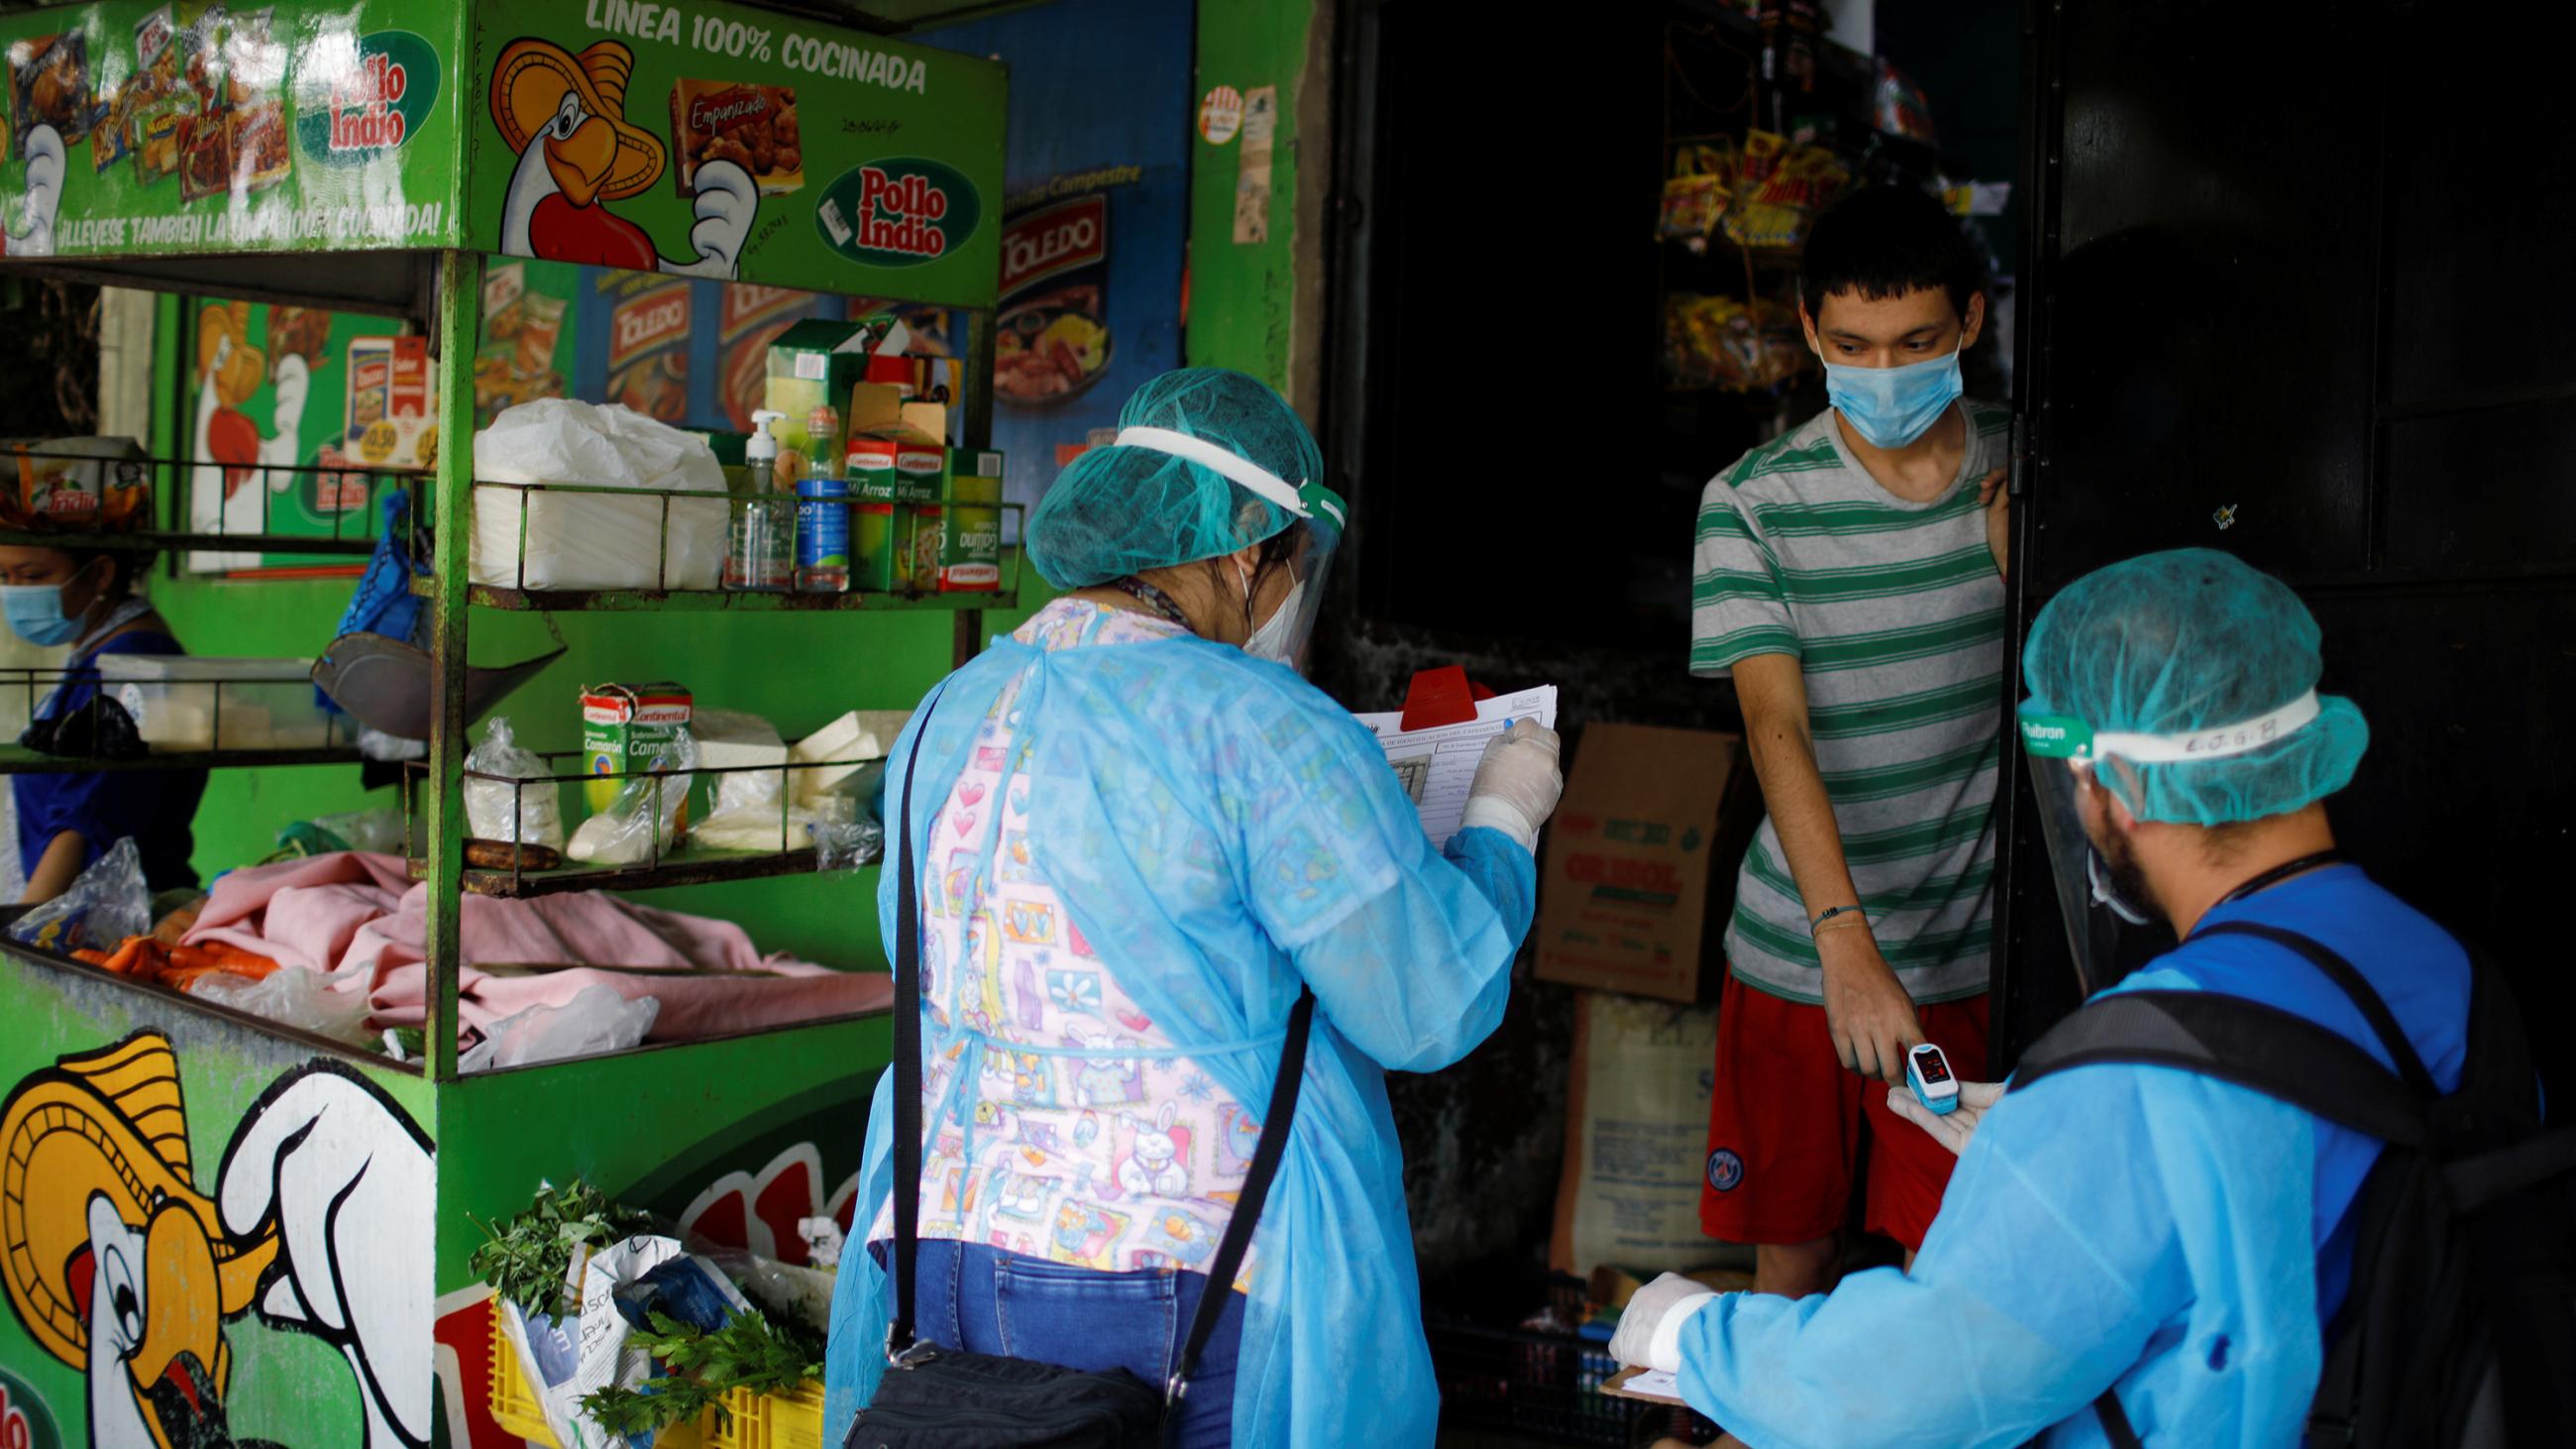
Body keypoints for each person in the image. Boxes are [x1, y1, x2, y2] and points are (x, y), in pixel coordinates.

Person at [823, 368, 1564, 1448]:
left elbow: (922, 963)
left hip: (940, 1240)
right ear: (1238, 551)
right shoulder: (1258, 721)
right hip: (1176, 1269)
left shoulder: (954, 705)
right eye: (1291, 570)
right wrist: (1502, 821)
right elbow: (1426, 1006)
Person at [1611, 548, 2472, 1447]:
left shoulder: (2134, 1075)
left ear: (2120, 785)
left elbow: (1912, 1393)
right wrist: (2046, 1129)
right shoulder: (2450, 972)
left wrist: (1692, 1333)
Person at [1687, 182, 2012, 1293]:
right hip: (1798, 956)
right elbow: (1774, 725)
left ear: (1969, 321)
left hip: (1970, 953)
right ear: (1810, 333)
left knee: (1960, 1266)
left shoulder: (2027, 474)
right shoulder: (1751, 503)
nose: (1884, 375)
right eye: (1853, 345)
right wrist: (1842, 944)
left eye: (1916, 342)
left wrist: (2030, 576)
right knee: (1797, 1257)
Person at [4, 541, 209, 903]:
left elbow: (84, 819)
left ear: (101, 573)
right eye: (4, 576)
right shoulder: (92, 654)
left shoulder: (132, 660)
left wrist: (23, 933)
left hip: (102, 918)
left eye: (33, 575)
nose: (16, 592)